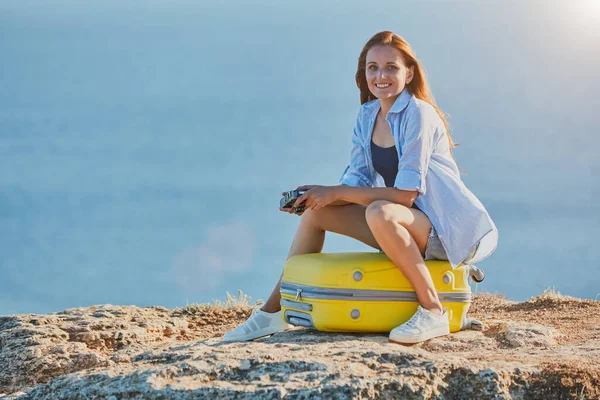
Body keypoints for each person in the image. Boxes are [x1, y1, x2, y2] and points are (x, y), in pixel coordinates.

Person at [223, 31, 498, 344]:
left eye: (391, 67)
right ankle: (273, 312)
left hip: (450, 232)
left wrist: (337, 192)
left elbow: (406, 196)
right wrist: (317, 196)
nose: (381, 75)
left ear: (408, 73)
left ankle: (433, 310)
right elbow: (356, 183)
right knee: (317, 214)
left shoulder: (420, 115)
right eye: (372, 67)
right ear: (363, 73)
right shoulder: (367, 116)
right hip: (406, 227)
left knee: (382, 212)